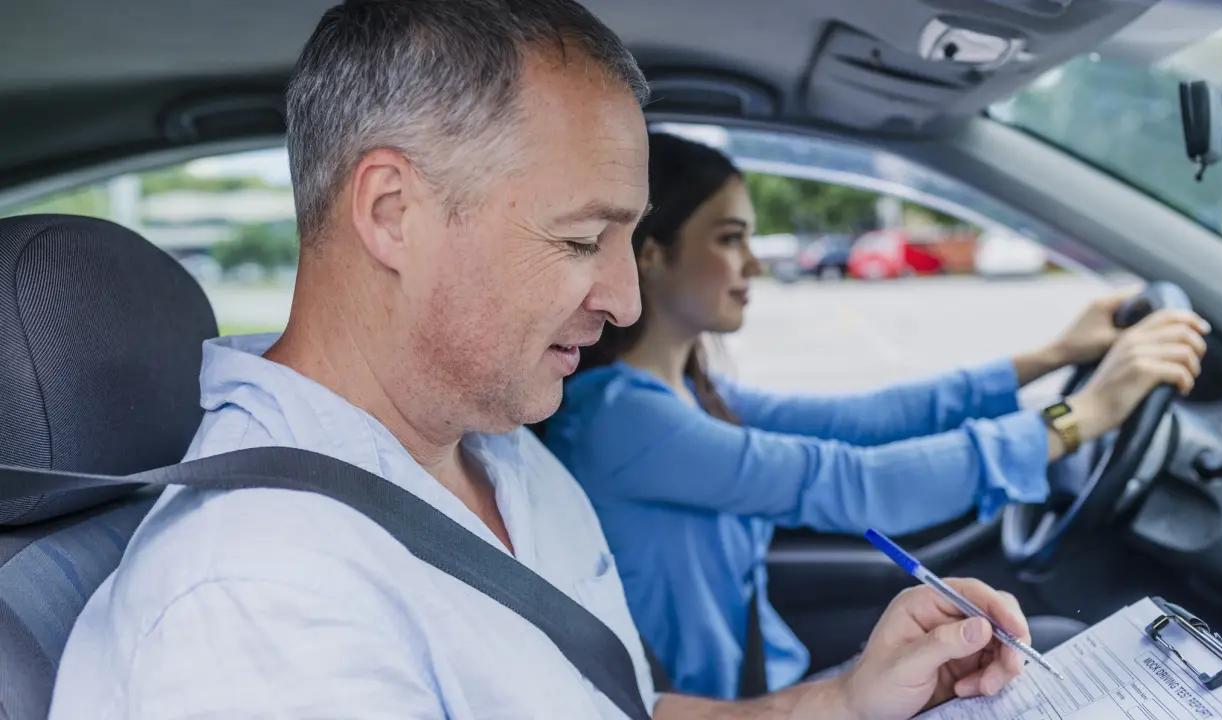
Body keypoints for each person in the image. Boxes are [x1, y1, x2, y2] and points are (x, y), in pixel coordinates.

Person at [48, 2, 1061, 718]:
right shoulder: (259, 599)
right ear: (392, 213)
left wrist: (840, 702)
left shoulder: (494, 450)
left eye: (627, 240)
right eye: (581, 240)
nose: (624, 299)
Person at [538, 132, 1211, 700]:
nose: (754, 262)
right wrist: (1080, 417)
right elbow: (855, 482)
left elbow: (860, 420)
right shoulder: (619, 420)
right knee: (1057, 654)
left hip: (767, 681)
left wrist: (1051, 357)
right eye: (730, 238)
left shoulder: (688, 392)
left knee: (1044, 652)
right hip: (729, 708)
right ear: (653, 255)